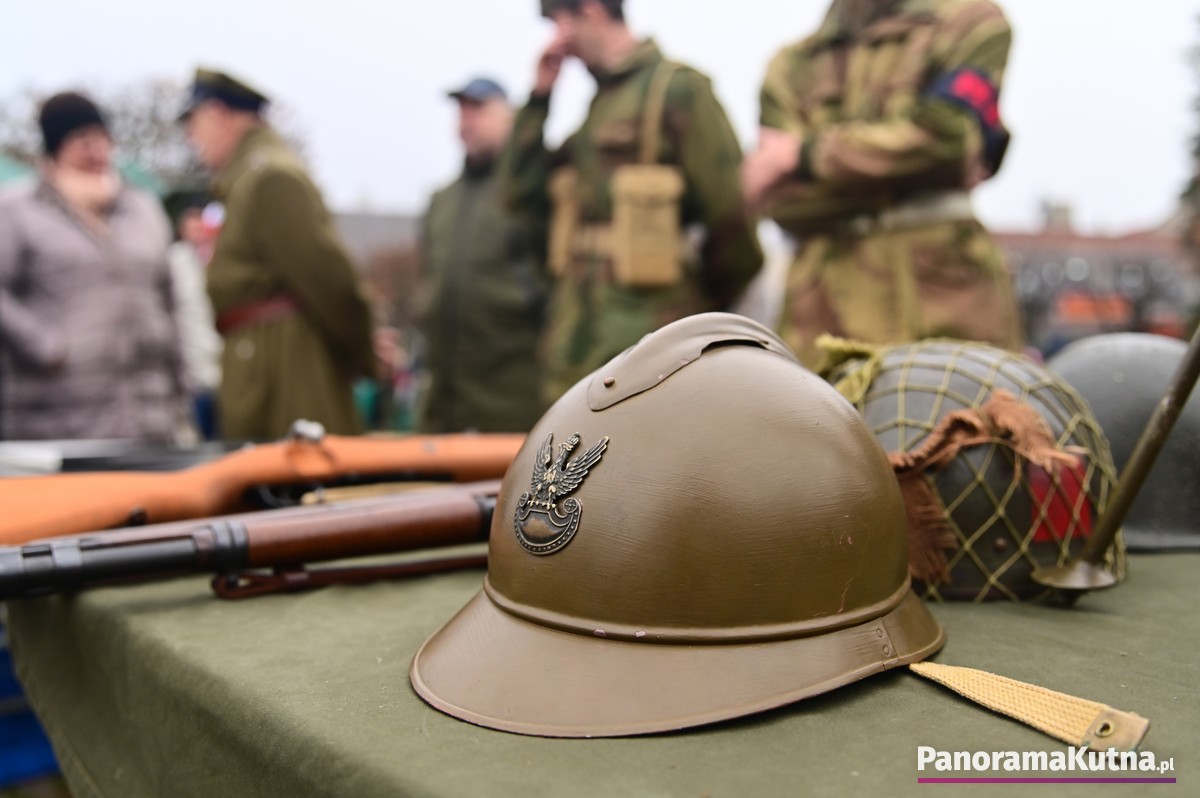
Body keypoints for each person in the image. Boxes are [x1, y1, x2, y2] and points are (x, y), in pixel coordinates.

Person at [741, 0, 1023, 369]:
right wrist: (916, 171)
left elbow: (948, 140)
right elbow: (783, 202)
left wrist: (804, 157)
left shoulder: (970, 22)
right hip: (820, 314)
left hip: (942, 307)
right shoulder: (792, 64)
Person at [506, 0, 763, 400]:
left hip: (649, 345)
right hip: (575, 343)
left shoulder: (679, 89)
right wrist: (540, 98)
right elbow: (520, 194)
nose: (557, 41)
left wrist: (695, 312)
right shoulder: (598, 109)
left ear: (592, 11)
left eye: (560, 23)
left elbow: (732, 218)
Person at [180, 68, 376, 440]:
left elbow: (331, 282)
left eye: (194, 122)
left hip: (284, 372)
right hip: (263, 362)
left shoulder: (270, 176)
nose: (192, 136)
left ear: (218, 115)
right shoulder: (247, 176)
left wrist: (366, 358)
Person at [0, 91, 186, 442]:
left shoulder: (142, 209)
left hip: (149, 413)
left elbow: (170, 298)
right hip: (57, 416)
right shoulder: (16, 210)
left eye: (102, 139)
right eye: (82, 141)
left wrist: (182, 378)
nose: (96, 151)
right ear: (56, 147)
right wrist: (45, 346)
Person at [416, 77, 548, 434]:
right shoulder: (441, 201)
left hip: (513, 400)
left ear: (510, 117)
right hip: (444, 405)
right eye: (461, 110)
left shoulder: (527, 195)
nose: (467, 119)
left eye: (478, 109)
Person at [166, 197, 222, 439]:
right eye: (192, 227)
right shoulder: (173, 261)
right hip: (190, 364)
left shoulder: (219, 259)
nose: (197, 233)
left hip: (219, 362)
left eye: (201, 227)